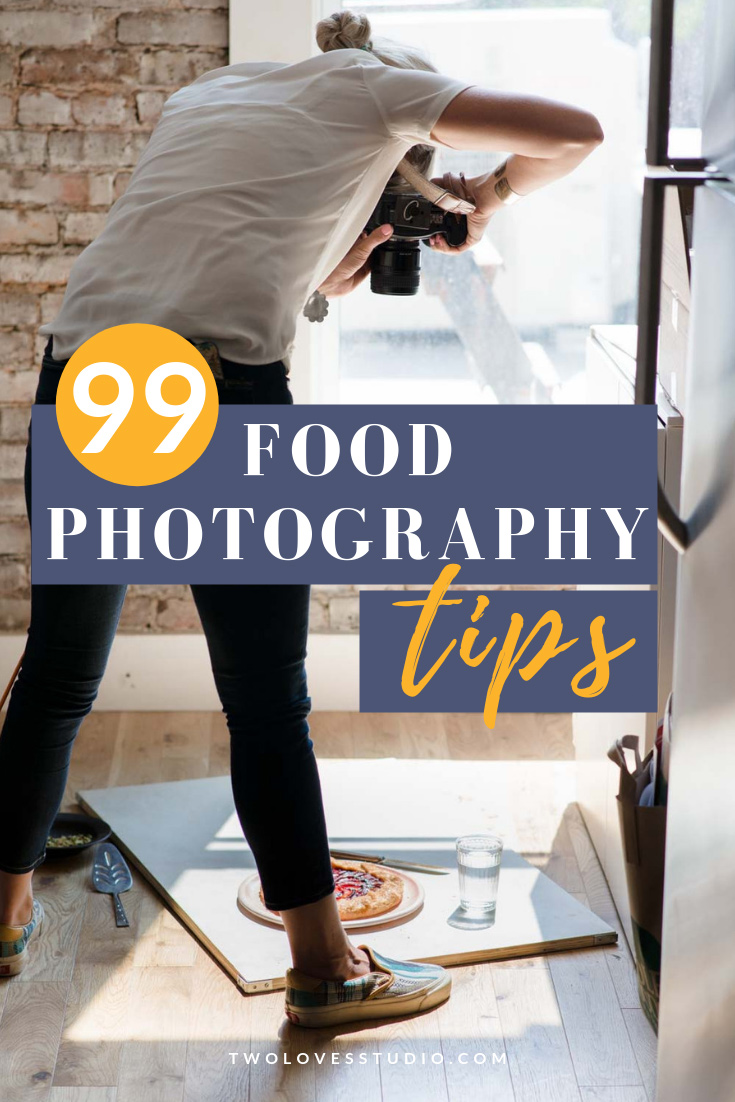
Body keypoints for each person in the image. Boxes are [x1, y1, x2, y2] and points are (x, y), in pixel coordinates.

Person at [0, 10, 602, 1026]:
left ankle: (3, 917)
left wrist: (344, 253)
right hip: (220, 388)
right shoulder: (383, 88)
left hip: (90, 372)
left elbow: (227, 244)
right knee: (265, 693)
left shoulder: (211, 94)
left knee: (57, 672)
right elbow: (577, 131)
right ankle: (324, 964)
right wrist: (489, 195)